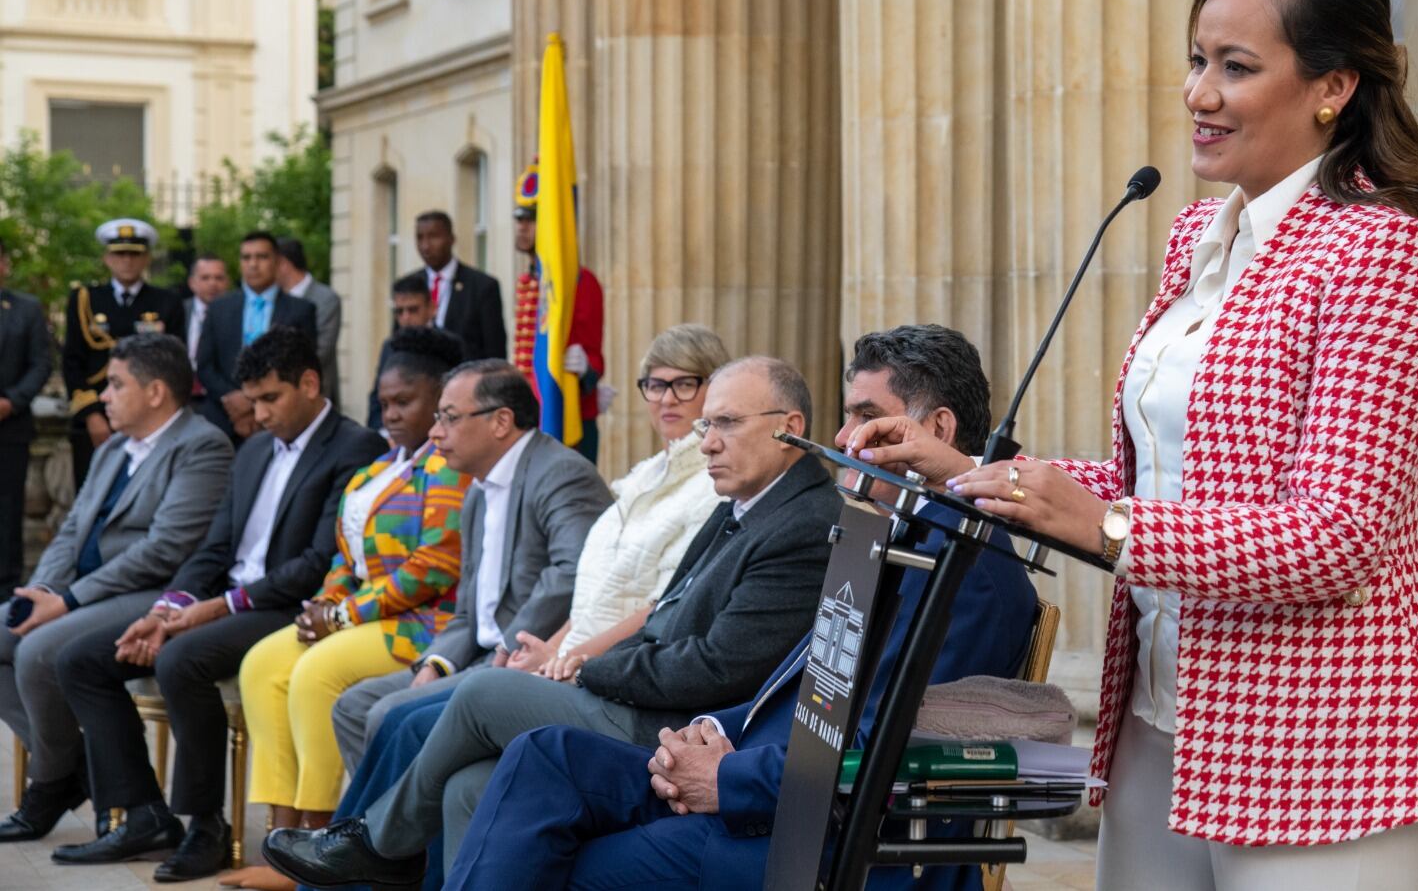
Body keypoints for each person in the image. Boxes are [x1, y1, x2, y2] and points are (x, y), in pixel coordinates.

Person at [849, 0, 1418, 888]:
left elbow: (1340, 536)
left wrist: (1107, 527)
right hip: (1162, 707)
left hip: (1324, 726)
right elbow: (1156, 484)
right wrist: (971, 473)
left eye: (1237, 66)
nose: (1200, 93)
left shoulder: (1385, 253)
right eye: (1197, 60)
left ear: (1334, 86)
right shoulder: (1198, 237)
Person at [271, 326, 1038, 891]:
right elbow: (799, 686)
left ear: (937, 431)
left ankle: (374, 853)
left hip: (804, 836)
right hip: (744, 764)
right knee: (533, 761)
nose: (843, 439)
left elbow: (890, 754)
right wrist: (714, 734)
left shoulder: (967, 570)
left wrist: (726, 774)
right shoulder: (895, 535)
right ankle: (373, 857)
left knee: (548, 840)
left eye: (866, 417)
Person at [262, 356, 840, 884]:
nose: (707, 441)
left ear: (789, 426)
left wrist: (588, 668)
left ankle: (380, 846)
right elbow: (664, 614)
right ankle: (383, 850)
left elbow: (718, 670)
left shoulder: (804, 521)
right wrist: (580, 660)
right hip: (639, 692)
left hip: (674, 727)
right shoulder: (747, 501)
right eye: (706, 424)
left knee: (483, 692)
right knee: (467, 785)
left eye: (727, 423)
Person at [50, 326, 386, 879]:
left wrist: (215, 608)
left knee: (181, 659)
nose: (259, 413)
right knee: (82, 659)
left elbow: (317, 562)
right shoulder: (252, 449)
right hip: (229, 600)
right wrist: (166, 610)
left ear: (309, 383)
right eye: (252, 401)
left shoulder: (355, 447)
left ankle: (206, 825)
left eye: (271, 398)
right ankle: (142, 813)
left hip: (290, 606)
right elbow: (214, 548)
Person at [235, 326, 468, 852]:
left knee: (316, 673)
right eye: (384, 404)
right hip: (366, 614)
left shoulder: (447, 467)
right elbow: (347, 556)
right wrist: (325, 602)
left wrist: (341, 617)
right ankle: (279, 834)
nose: (391, 415)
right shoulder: (379, 468)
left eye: (405, 401)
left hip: (423, 622)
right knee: (262, 665)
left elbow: (434, 566)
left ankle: (319, 840)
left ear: (440, 400)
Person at [0, 333, 231, 842]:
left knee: (36, 650)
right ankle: (76, 770)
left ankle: (50, 784)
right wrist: (43, 590)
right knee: (3, 630)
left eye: (116, 384)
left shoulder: (202, 446)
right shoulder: (112, 450)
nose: (103, 396)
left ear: (155, 392)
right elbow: (70, 531)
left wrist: (67, 601)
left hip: (155, 595)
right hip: (86, 590)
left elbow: (165, 549)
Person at [331, 359, 613, 770]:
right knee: (352, 707)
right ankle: (393, 812)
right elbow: (467, 610)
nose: (435, 432)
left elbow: (572, 572)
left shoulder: (561, 473)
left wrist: (507, 645)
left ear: (501, 421)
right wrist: (436, 663)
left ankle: (396, 813)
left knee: (387, 714)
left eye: (449, 417)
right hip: (475, 657)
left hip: (524, 660)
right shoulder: (477, 491)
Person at [61, 218, 187, 487]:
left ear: (146, 258)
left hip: (150, 419)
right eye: (119, 254)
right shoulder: (85, 300)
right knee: (92, 494)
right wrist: (92, 415)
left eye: (134, 254)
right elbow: (72, 361)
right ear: (107, 258)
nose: (127, 261)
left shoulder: (167, 301)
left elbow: (174, 365)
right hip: (96, 417)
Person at [511, 166, 606, 461]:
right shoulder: (528, 280)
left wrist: (586, 369)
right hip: (527, 412)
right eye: (520, 219)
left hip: (565, 412)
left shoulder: (581, 281)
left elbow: (593, 356)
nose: (522, 227)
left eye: (532, 219)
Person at [196, 231, 318, 443]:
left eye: (262, 257)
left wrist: (257, 401)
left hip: (280, 422)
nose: (253, 264)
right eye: (246, 257)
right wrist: (233, 399)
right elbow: (205, 365)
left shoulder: (301, 310)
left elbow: (303, 366)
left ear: (277, 262)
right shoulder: (219, 308)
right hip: (223, 419)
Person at [0, 237, 55, 591]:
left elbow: (41, 363)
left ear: (4, 265)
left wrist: (12, 401)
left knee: (7, 514)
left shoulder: (27, 309)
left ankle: (6, 591)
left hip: (10, 428)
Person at [368, 274, 462, 432]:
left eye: (413, 310)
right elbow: (377, 398)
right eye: (399, 311)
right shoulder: (389, 346)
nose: (406, 318)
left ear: (432, 308)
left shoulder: (449, 344)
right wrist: (383, 434)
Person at [407, 211, 505, 361]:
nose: (425, 246)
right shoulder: (409, 286)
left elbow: (495, 352)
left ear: (451, 239)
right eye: (420, 238)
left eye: (433, 237)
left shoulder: (482, 286)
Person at [278, 237, 343, 409]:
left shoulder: (326, 299)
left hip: (314, 395)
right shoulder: (274, 299)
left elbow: (323, 350)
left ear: (283, 264)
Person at [185, 254, 230, 377]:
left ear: (227, 282)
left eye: (219, 278)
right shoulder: (180, 311)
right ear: (191, 283)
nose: (212, 283)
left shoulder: (237, 313)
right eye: (205, 278)